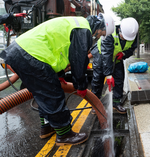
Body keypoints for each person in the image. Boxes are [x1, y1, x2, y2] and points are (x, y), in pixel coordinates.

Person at [0, 14, 115, 145]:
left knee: (43, 93)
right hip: (29, 54)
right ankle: (64, 135)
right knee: (52, 94)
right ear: (101, 27)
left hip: (21, 52)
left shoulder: (77, 24)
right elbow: (78, 59)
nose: (99, 36)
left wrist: (59, 75)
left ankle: (47, 127)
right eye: (102, 33)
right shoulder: (83, 29)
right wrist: (81, 86)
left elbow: (59, 52)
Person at [91, 17, 138, 114]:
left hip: (117, 59)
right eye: (123, 36)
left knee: (119, 79)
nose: (124, 38)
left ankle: (116, 103)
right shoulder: (110, 34)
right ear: (119, 28)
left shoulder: (132, 34)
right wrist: (108, 75)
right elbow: (106, 54)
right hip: (101, 56)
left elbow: (132, 49)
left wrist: (124, 54)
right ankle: (95, 104)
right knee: (97, 80)